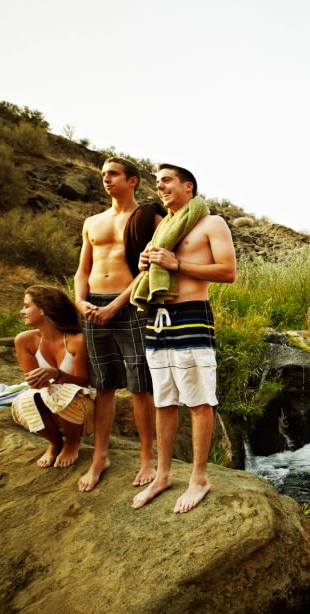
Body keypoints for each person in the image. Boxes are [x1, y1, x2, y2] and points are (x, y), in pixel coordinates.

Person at [131, 163, 236, 513]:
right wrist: (148, 264)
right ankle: (162, 475)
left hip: (192, 316)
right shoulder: (164, 230)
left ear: (188, 186)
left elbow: (227, 271)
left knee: (198, 400)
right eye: (157, 182)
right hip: (158, 320)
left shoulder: (211, 223)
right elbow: (157, 268)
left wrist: (176, 265)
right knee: (163, 399)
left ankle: (199, 478)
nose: (159, 187)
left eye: (167, 181)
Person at [73, 157, 162, 493]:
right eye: (103, 175)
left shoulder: (148, 218)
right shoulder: (92, 222)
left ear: (133, 180)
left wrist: (114, 305)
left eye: (113, 174)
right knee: (103, 383)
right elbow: (82, 268)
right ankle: (100, 456)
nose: (106, 179)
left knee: (140, 385)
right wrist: (81, 301)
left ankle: (146, 458)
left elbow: (148, 270)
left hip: (131, 306)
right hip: (94, 305)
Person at [12, 285, 95, 468]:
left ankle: (73, 442)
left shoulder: (77, 340)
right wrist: (48, 381)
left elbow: (83, 382)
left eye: (27, 306)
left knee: (64, 392)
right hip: (50, 407)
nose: (22, 311)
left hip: (79, 408)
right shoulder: (24, 340)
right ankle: (55, 443)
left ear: (43, 309)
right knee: (25, 399)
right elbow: (34, 385)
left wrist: (56, 373)